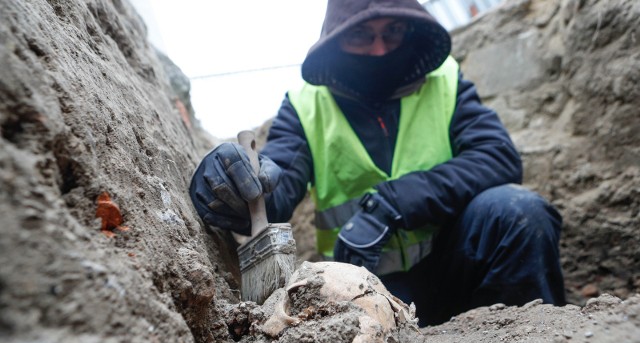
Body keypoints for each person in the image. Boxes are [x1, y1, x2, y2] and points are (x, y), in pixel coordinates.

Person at [190, 0, 566, 326]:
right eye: (361, 36)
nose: (380, 49)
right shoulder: (306, 106)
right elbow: (277, 188)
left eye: (393, 31)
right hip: (366, 294)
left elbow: (496, 156)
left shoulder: (444, 81)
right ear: (337, 40)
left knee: (519, 211)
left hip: (454, 271)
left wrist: (392, 203)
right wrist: (233, 185)